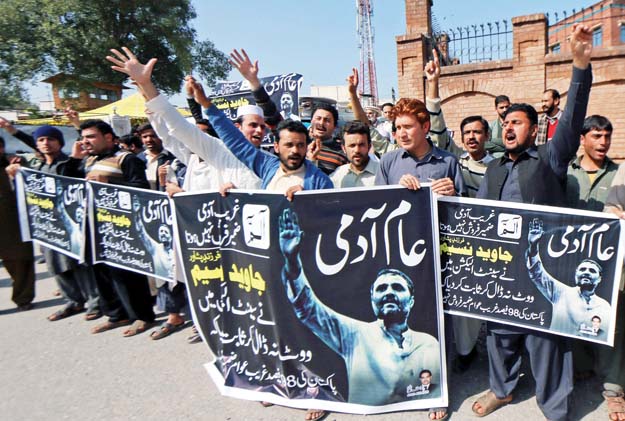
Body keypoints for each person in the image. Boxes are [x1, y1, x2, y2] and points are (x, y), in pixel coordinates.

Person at [109, 46, 331, 421]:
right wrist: (154, 89)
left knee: (306, 331)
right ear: (274, 146)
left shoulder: (318, 179)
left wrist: (307, 201)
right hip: (259, 264)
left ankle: (317, 391)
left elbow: (337, 216)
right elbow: (210, 132)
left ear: (307, 146)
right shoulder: (258, 163)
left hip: (303, 269)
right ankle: (277, 378)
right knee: (270, 326)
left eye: (299, 144)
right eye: (286, 144)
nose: (292, 150)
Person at [472, 23, 593, 420]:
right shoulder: (492, 170)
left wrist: (579, 66)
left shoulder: (549, 159)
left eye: (517, 122)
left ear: (533, 129)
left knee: (545, 340)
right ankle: (502, 390)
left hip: (541, 265)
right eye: (505, 123)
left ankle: (555, 406)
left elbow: (573, 118)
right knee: (500, 334)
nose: (508, 127)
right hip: (499, 268)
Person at [278, 208, 440, 405]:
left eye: (397, 287)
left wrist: (434, 401)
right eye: (381, 289)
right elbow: (308, 309)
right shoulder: (355, 335)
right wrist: (292, 261)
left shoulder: (428, 343)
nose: (389, 292)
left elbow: (433, 386)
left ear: (411, 300)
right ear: (372, 300)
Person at [63, 119, 155, 336]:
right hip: (94, 227)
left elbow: (140, 188)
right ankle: (116, 314)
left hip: (121, 228)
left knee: (128, 275)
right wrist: (74, 158)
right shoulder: (89, 160)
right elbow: (68, 184)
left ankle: (143, 316)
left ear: (109, 137)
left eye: (91, 137)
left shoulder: (126, 159)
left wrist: (108, 187)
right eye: (83, 137)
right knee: (102, 273)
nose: (86, 142)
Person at [526, 218, 611, 340]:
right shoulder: (562, 292)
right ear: (576, 275)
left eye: (592, 271)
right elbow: (537, 273)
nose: (586, 273)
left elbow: (604, 334)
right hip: (558, 344)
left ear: (599, 279)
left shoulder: (605, 306)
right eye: (582, 270)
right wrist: (533, 246)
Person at [0, 135, 35, 311]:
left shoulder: (15, 164)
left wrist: (17, 172)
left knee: (20, 262)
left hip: (12, 223)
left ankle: (23, 298)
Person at [566, 115, 618, 211]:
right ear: (582, 139)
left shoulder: (618, 175)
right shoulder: (567, 174)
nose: (603, 142)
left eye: (607, 137)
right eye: (597, 136)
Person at [329, 121, 378, 188]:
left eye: (361, 145)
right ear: (343, 148)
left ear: (369, 146)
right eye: (352, 145)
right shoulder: (338, 175)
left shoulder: (381, 173)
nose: (357, 150)